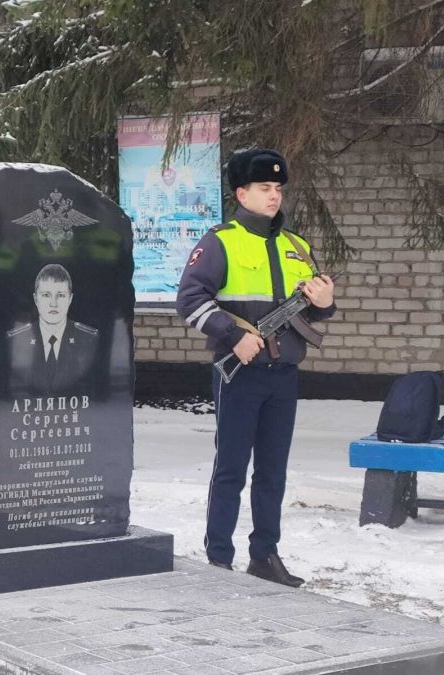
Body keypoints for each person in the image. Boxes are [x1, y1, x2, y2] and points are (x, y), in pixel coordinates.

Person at [176, 148, 335, 587]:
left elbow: (314, 309)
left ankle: (265, 554)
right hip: (240, 373)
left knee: (273, 471)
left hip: (283, 375)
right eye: (264, 188)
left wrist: (325, 303)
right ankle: (219, 560)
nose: (273, 196)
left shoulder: (295, 245)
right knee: (230, 468)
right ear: (241, 193)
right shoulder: (219, 241)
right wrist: (235, 335)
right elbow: (189, 300)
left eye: (278, 188)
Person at [6, 264, 99, 396]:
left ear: (70, 299)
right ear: (35, 299)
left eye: (60, 295)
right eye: (46, 295)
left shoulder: (89, 338)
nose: (53, 303)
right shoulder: (17, 338)